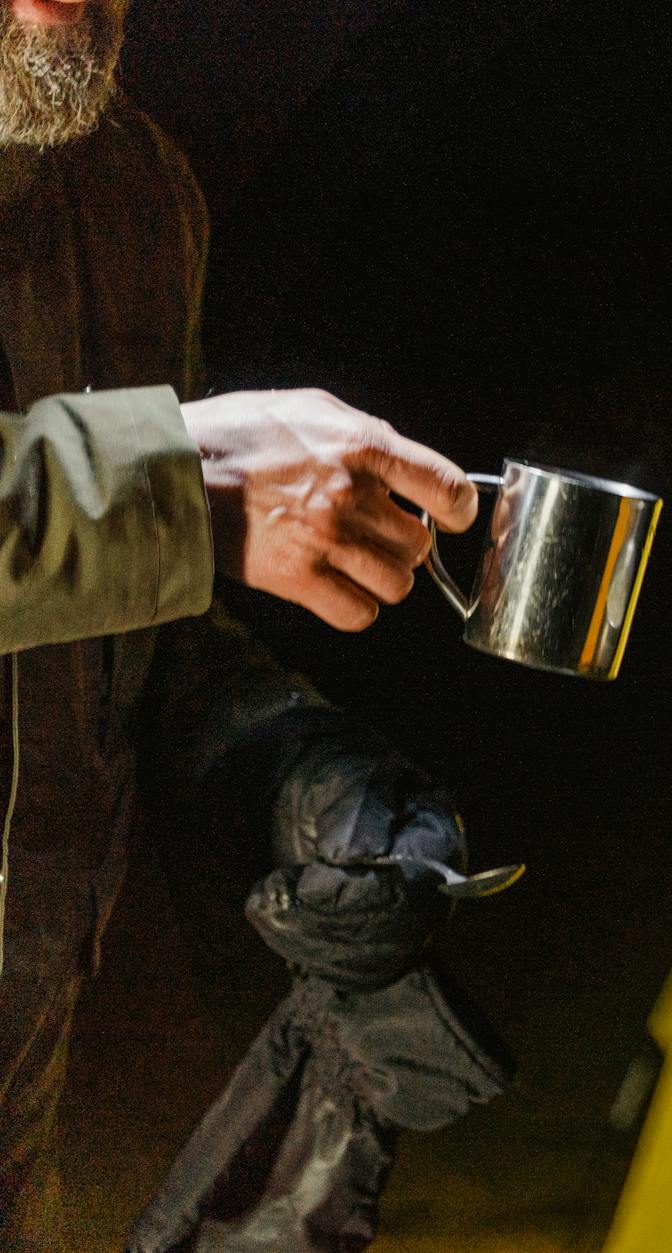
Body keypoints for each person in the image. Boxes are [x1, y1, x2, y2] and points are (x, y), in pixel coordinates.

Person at [0, 0, 499, 1245]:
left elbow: (123, 624)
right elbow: (145, 515)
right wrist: (167, 484)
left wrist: (291, 769)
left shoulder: (133, 192)